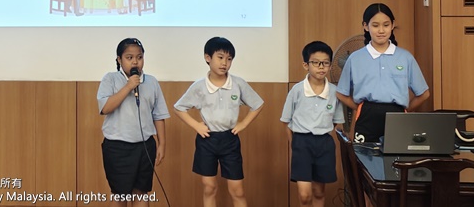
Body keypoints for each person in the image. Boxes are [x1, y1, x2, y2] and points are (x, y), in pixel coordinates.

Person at [173, 37, 264, 207]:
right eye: (220, 57)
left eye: (229, 59)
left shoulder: (238, 83)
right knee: (209, 188)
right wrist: (196, 125)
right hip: (207, 140)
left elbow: (257, 104)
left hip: (230, 140)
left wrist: (243, 124)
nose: (225, 63)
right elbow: (179, 108)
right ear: (208, 58)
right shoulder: (199, 86)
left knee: (237, 190)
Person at [336, 3, 430, 143]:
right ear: (366, 26)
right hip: (366, 118)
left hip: (397, 118)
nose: (381, 30)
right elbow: (341, 93)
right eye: (375, 25)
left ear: (392, 25)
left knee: (396, 155)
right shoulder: (355, 58)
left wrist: (404, 109)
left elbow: (424, 94)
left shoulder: (405, 57)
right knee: (364, 156)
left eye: (386, 25)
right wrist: (360, 108)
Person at [98, 38, 169, 207]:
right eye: (129, 58)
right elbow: (105, 108)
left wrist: (162, 144)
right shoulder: (110, 79)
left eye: (139, 57)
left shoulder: (151, 82)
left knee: (141, 192)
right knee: (120, 194)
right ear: (119, 59)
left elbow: (158, 115)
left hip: (145, 147)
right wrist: (128, 87)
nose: (135, 62)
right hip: (117, 147)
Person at [281, 41, 345, 207]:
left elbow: (338, 123)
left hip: (324, 144)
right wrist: (294, 144)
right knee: (304, 195)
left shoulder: (334, 92)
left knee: (318, 192)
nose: (321, 67)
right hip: (302, 143)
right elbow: (286, 122)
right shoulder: (297, 90)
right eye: (316, 63)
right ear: (306, 65)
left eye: (325, 63)